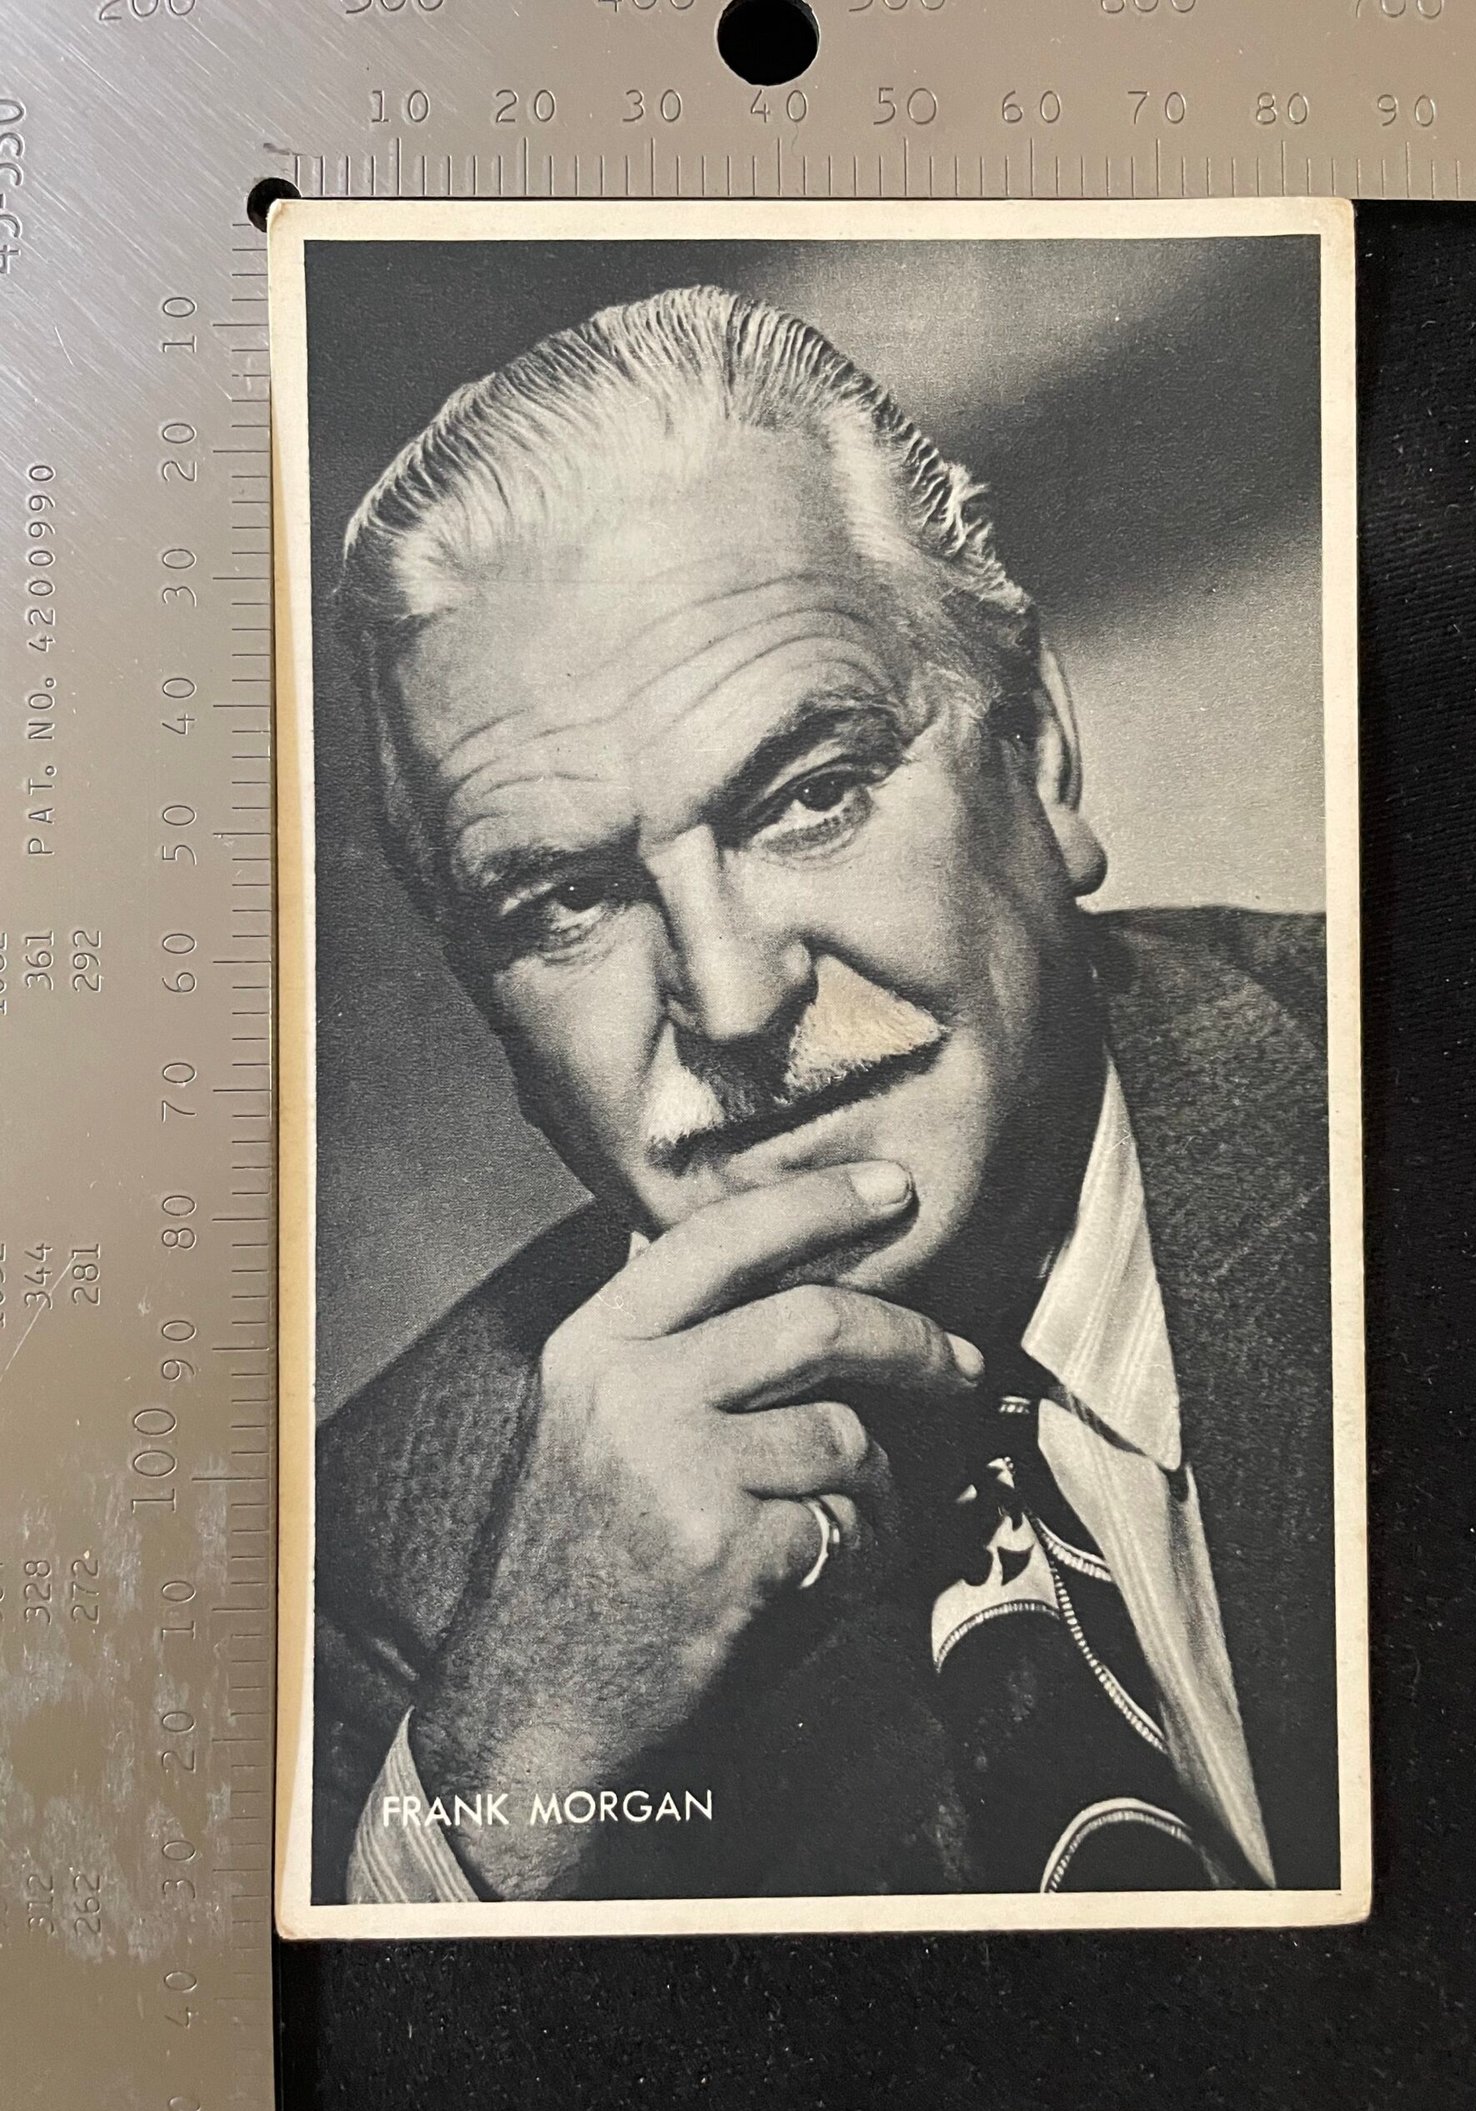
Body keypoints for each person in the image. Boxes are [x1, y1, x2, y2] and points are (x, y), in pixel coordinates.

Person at [312, 283, 1338, 1905]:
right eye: (567, 901)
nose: (731, 1000)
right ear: (488, 1010)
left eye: (808, 796)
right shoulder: (396, 1574)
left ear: (1039, 753)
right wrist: (525, 1748)